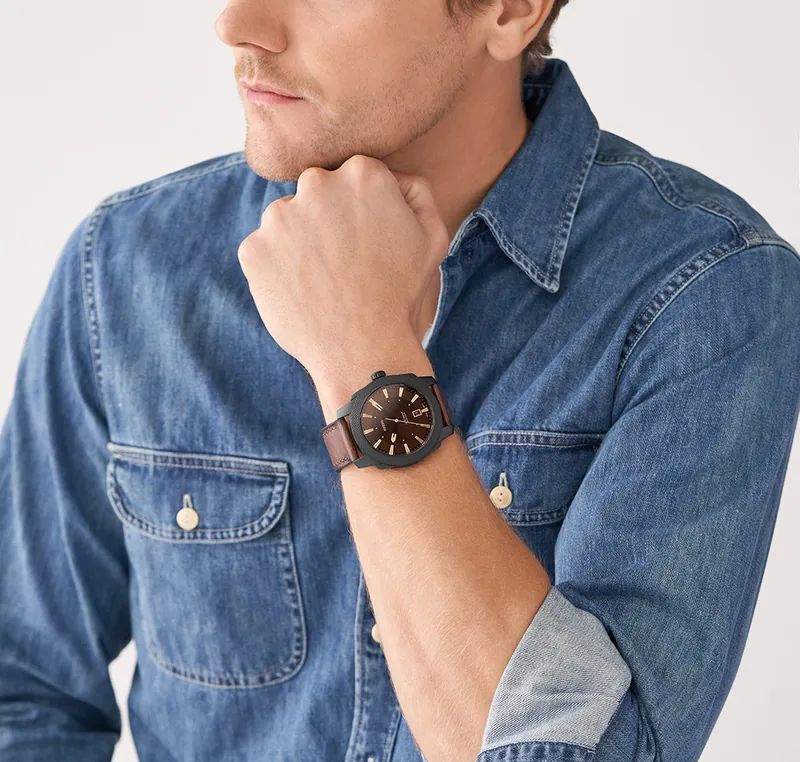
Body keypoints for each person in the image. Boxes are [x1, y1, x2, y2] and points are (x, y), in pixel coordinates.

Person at [2, 1, 799, 761]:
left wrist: (365, 353)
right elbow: (22, 692)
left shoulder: (703, 295)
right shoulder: (125, 268)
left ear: (509, 9)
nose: (237, 24)